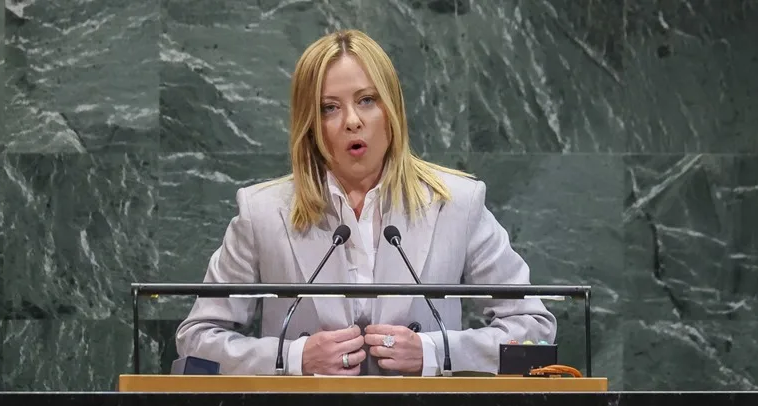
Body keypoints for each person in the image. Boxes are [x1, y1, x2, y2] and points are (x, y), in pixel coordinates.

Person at [176, 29, 556, 376]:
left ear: (392, 111)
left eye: (367, 100)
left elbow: (534, 332)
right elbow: (196, 340)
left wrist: (434, 352)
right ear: (310, 123)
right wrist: (292, 358)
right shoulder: (262, 212)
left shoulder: (455, 202)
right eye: (330, 107)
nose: (352, 121)